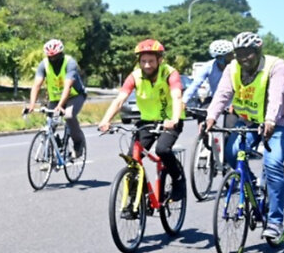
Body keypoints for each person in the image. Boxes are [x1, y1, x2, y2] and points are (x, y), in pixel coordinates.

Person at [204, 32, 284, 241]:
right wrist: (211, 117)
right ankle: (252, 185)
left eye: (248, 53)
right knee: (232, 153)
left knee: (272, 164)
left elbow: (276, 96)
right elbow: (222, 95)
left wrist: (271, 120)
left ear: (258, 51)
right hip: (248, 121)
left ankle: (275, 220)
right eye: (239, 54)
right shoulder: (232, 68)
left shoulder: (276, 66)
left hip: (280, 122)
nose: (244, 58)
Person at [96, 39, 186, 200]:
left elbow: (177, 96)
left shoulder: (170, 73)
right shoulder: (135, 76)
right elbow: (119, 100)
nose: (147, 65)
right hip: (147, 121)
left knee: (163, 150)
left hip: (170, 121)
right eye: (143, 61)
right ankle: (138, 198)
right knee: (132, 159)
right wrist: (105, 120)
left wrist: (174, 119)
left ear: (159, 60)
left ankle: (178, 180)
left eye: (151, 61)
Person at [24, 38, 87, 157]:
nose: (53, 59)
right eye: (50, 57)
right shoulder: (44, 65)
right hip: (55, 98)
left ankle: (78, 143)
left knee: (69, 115)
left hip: (75, 95)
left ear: (61, 54)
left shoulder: (70, 63)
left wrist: (60, 106)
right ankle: (49, 154)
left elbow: (67, 87)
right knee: (50, 123)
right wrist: (32, 104)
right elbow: (37, 85)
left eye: (55, 57)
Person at [182, 39, 235, 110]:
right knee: (203, 111)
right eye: (230, 55)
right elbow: (195, 84)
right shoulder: (208, 67)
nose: (233, 56)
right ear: (220, 58)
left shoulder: (237, 66)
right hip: (216, 99)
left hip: (235, 100)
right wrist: (183, 101)